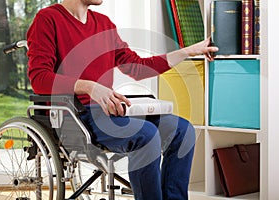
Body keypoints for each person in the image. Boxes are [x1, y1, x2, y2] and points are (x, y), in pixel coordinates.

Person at [26, 0, 219, 199]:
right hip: (74, 115)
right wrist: (89, 86)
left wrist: (188, 51)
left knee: (183, 131)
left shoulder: (104, 24)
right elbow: (39, 78)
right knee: (147, 135)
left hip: (109, 110)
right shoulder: (47, 19)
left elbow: (138, 67)